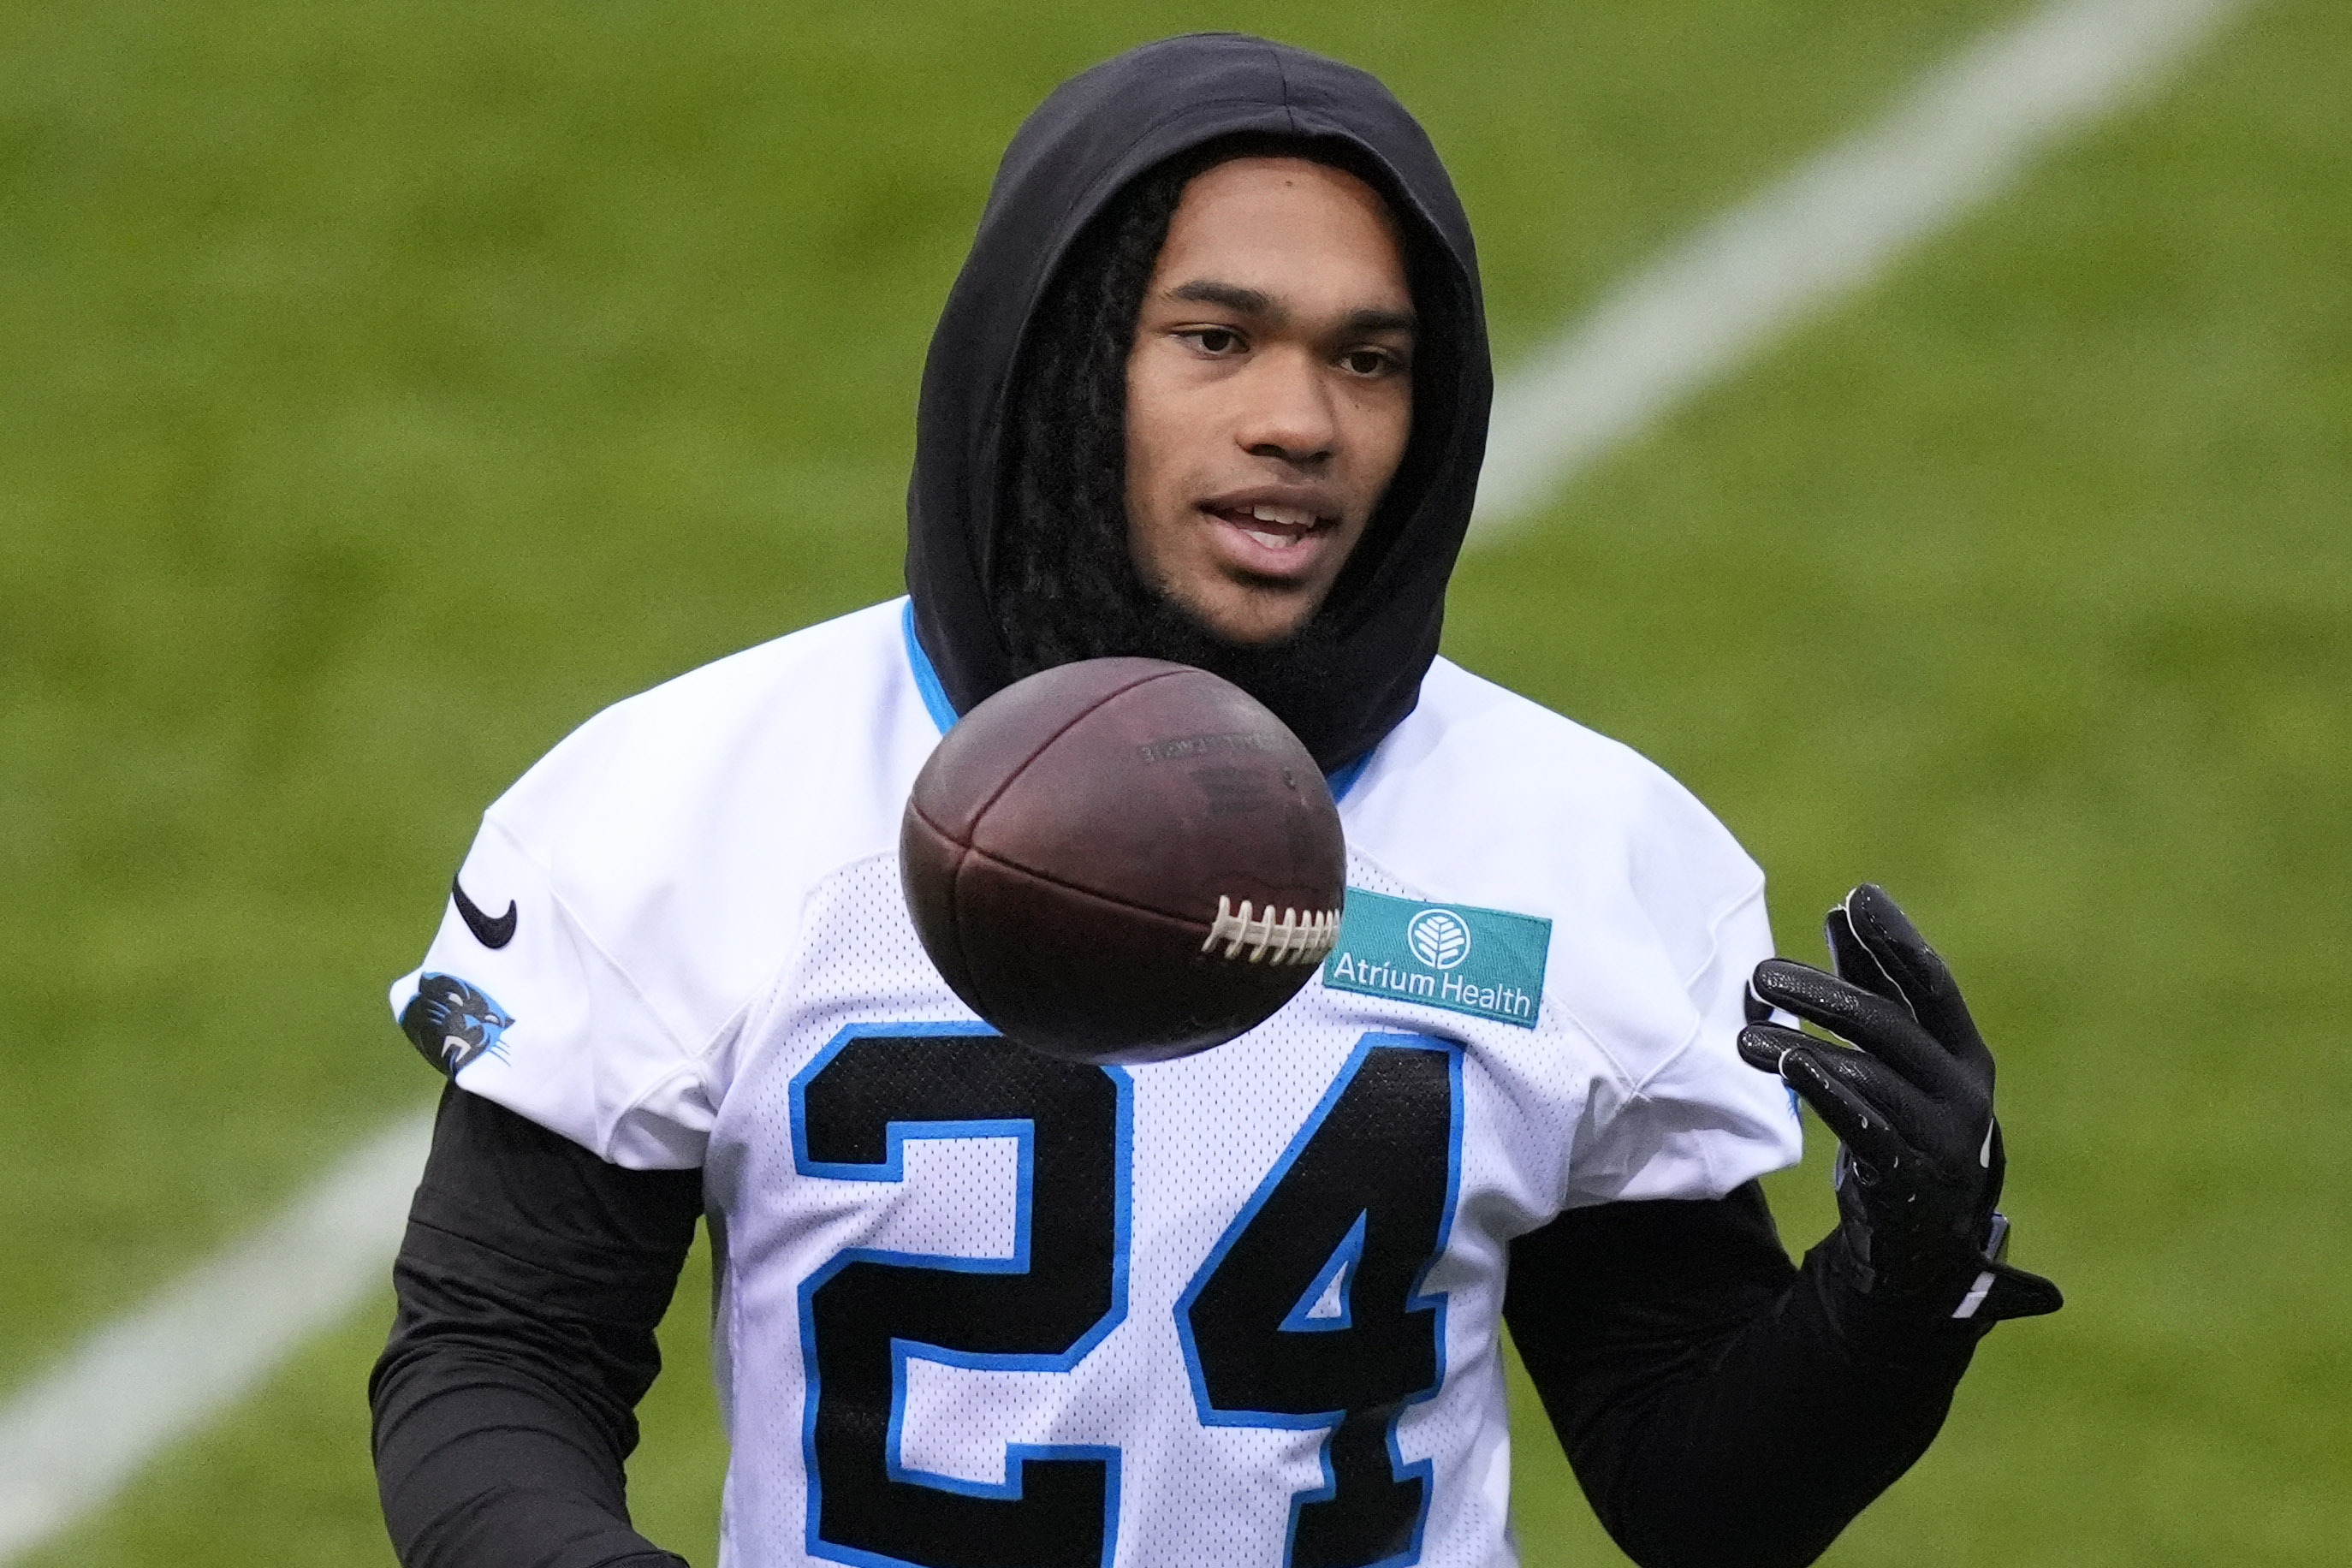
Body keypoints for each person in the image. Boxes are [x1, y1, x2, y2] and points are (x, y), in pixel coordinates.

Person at [371, 33, 2058, 1568]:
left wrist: (1893, 1296)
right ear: (1068, 355)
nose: (1301, 421)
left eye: (1370, 358)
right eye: (1216, 338)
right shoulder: (697, 799)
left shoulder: (1573, 845)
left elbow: (1691, 1487)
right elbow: (499, 1350)